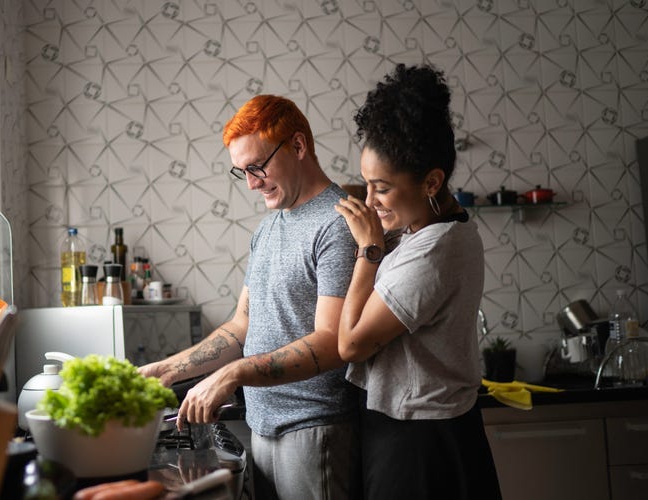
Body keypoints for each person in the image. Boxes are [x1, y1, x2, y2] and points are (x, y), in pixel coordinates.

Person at [139, 95, 363, 499]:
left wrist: (233, 374)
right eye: (242, 171)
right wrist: (168, 370)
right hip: (263, 428)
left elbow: (332, 342)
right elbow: (242, 325)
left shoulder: (338, 223)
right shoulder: (268, 228)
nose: (252, 183)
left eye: (258, 167)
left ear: (298, 146)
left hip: (315, 429)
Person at [334, 63, 502, 499]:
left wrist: (369, 250)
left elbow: (350, 345)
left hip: (422, 444)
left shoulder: (434, 250)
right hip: (423, 430)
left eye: (382, 188)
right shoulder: (427, 228)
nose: (371, 200)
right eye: (367, 184)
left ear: (432, 181)